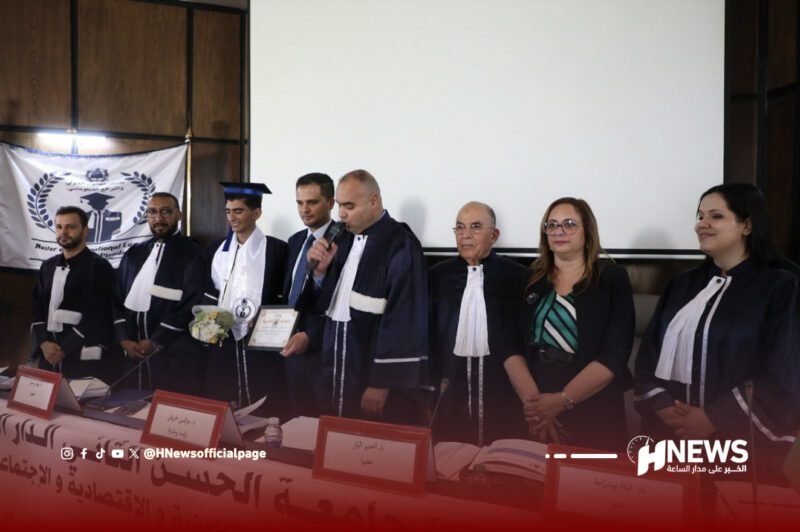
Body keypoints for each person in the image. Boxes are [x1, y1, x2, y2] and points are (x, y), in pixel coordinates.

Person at [635, 183, 800, 483]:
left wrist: (712, 418)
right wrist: (664, 406)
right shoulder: (681, 286)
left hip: (739, 446)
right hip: (671, 439)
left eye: (716, 216)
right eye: (700, 216)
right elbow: (649, 356)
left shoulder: (782, 287)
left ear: (747, 225)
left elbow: (785, 371)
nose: (702, 224)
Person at [304, 169, 430, 422]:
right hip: (332, 359)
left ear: (373, 201)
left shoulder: (400, 242)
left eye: (349, 206)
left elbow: (404, 315)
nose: (341, 214)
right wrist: (318, 272)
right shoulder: (341, 237)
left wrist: (381, 381)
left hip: (368, 364)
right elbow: (327, 303)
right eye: (340, 205)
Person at [522, 197, 634, 451]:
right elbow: (512, 346)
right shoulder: (529, 279)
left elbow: (615, 353)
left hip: (593, 402)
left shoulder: (612, 278)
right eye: (552, 225)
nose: (559, 231)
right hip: (536, 400)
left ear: (588, 231)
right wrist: (536, 408)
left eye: (569, 224)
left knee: (589, 474)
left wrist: (562, 401)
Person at [429, 201, 531, 445]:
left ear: (494, 235)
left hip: (503, 389)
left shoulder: (518, 277)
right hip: (448, 385)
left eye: (475, 227)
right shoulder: (435, 276)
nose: (465, 235)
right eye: (460, 227)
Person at [204, 182, 288, 415]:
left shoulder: (277, 249)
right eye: (228, 211)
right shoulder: (216, 250)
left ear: (257, 212)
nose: (231, 217)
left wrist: (263, 317)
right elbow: (209, 290)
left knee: (265, 397)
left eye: (238, 211)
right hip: (223, 336)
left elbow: (285, 295)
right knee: (225, 394)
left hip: (262, 337)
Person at [113, 192, 207, 395]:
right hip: (132, 353)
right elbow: (117, 299)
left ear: (178, 215)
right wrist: (124, 340)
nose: (158, 218)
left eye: (165, 212)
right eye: (152, 212)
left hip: (174, 354)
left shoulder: (193, 252)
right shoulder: (133, 254)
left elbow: (192, 301)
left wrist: (156, 340)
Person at [31, 206, 122, 383]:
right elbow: (37, 307)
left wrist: (64, 348)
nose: (63, 232)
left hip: (81, 356)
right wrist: (44, 343)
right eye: (59, 227)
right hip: (48, 355)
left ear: (85, 231)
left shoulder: (99, 267)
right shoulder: (47, 266)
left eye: (70, 227)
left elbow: (99, 314)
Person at [281, 172, 335, 417]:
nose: (305, 209)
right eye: (300, 203)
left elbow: (337, 299)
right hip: (291, 348)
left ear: (331, 202)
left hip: (324, 350)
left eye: (312, 202)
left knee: (325, 424)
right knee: (297, 422)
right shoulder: (295, 241)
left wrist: (311, 334)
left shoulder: (345, 241)